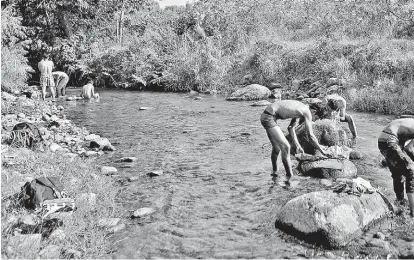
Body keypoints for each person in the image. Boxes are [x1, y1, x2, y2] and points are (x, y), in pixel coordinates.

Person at [261, 100, 328, 181]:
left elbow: (291, 128)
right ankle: (289, 177)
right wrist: (322, 151)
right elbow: (310, 136)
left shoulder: (302, 108)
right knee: (286, 147)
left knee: (276, 148)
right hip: (269, 117)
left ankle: (275, 173)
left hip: (267, 115)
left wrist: (298, 145)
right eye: (316, 118)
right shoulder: (307, 112)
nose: (313, 121)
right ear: (314, 112)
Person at [378, 118, 414, 217]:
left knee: (398, 173)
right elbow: (409, 149)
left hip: (383, 140)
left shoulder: (410, 121)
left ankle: (400, 202)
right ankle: (413, 214)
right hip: (391, 140)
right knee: (410, 170)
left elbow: (403, 146)